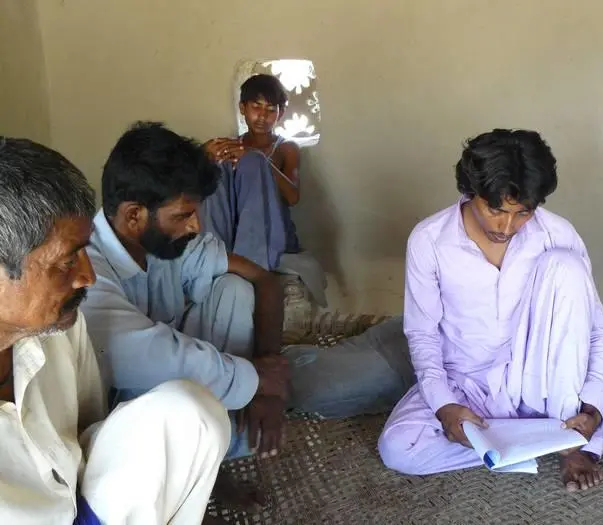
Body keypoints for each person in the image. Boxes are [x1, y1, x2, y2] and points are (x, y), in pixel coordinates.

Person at [81, 121, 414, 466]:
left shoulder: (168, 241)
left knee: (235, 288)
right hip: (131, 411)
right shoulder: (86, 267)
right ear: (134, 215)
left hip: (216, 377)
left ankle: (232, 425)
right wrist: (255, 379)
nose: (195, 226)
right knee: (329, 384)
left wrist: (266, 374)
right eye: (182, 215)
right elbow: (145, 355)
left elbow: (264, 280)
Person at [0, 137, 232, 525]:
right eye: (66, 262)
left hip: (82, 504)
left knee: (189, 414)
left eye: (85, 251)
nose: (87, 276)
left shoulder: (62, 328)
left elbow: (92, 427)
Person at [377, 129, 603, 493]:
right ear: (471, 191)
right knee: (399, 448)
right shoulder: (429, 240)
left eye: (523, 213)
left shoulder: (558, 234)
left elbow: (595, 330)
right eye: (496, 210)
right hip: (465, 384)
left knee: (565, 266)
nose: (506, 227)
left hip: (541, 388)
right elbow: (422, 334)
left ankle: (564, 435)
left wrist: (593, 408)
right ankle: (546, 443)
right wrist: (445, 407)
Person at [201, 73, 327, 307]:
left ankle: (250, 263)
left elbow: (292, 197)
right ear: (242, 108)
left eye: (270, 109)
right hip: (232, 231)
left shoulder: (285, 148)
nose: (262, 116)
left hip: (273, 231)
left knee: (253, 162)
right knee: (215, 165)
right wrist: (204, 154)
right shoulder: (231, 146)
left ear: (281, 113)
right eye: (256, 107)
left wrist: (260, 160)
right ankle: (216, 254)